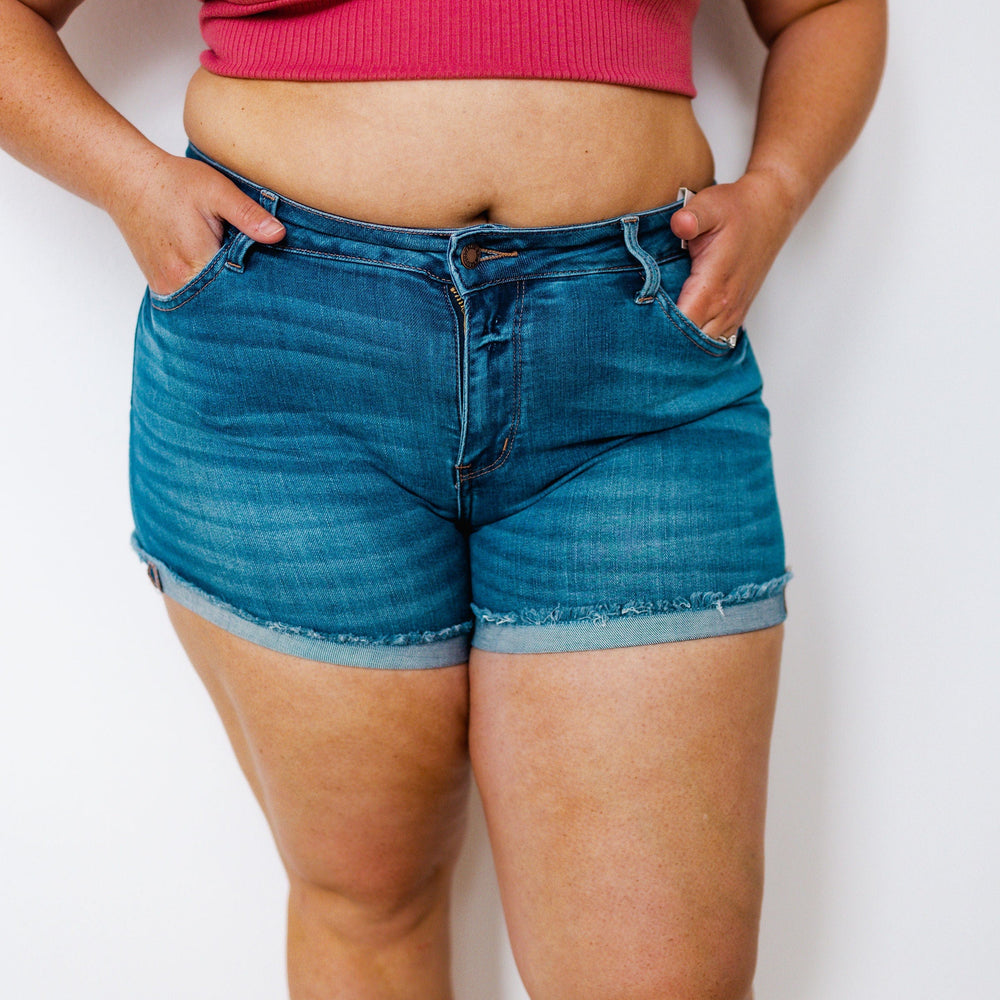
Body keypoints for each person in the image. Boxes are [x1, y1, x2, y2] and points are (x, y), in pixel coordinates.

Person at [0, 1, 885, 997]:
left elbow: (824, 11)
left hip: (632, 365)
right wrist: (129, 183)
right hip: (285, 361)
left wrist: (779, 187)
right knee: (365, 897)